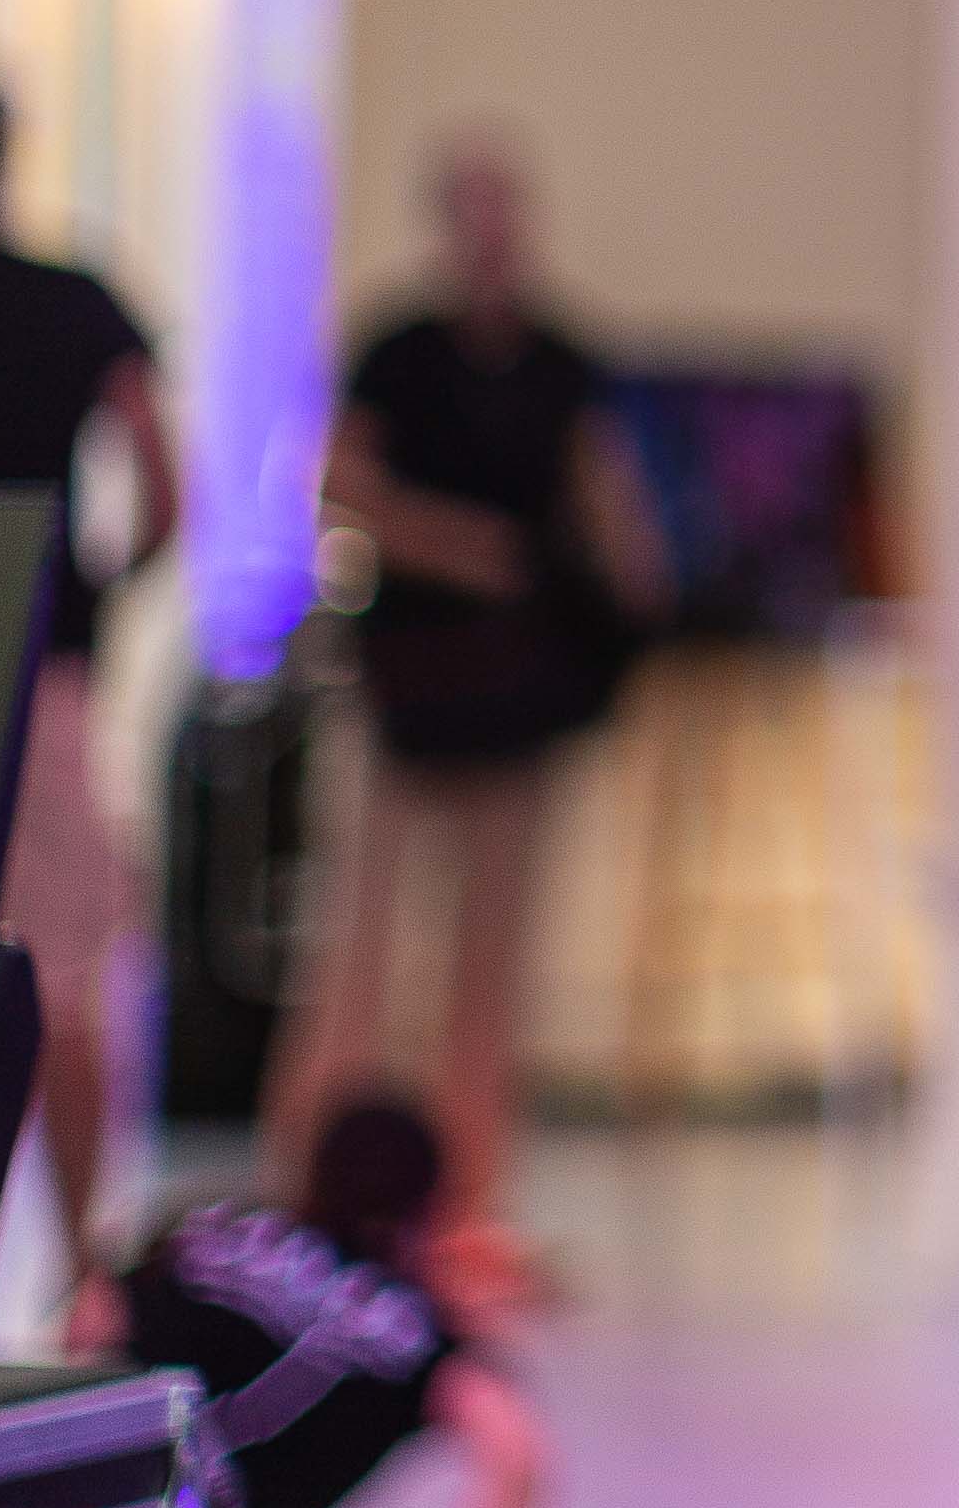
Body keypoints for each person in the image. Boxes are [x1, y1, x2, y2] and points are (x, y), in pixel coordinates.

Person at [269, 137, 665, 1214]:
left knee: (494, 956)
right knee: (359, 946)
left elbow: (605, 498)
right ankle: (311, 1177)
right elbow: (340, 490)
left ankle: (468, 1199)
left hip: (518, 691)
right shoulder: (398, 352)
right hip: (405, 686)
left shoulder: (562, 360)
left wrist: (635, 597)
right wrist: (457, 547)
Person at [0, 1084, 544, 1508]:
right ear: (432, 1209)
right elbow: (513, 1446)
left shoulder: (213, 1227)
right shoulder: (414, 1337)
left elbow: (86, 1325)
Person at [0, 73, 180, 1275]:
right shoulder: (71, 304)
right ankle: (84, 1270)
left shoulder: (71, 300)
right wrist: (98, 585)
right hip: (41, 662)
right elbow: (163, 483)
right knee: (60, 975)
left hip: (35, 663)